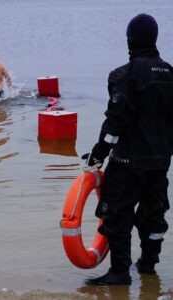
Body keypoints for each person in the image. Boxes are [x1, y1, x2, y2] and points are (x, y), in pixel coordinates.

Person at [83, 14, 173, 285]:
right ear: (154, 39)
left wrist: (97, 155)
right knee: (154, 213)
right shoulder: (171, 73)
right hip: (160, 161)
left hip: (128, 161)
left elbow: (115, 123)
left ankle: (120, 272)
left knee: (117, 213)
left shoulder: (123, 75)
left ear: (129, 40)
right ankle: (147, 266)